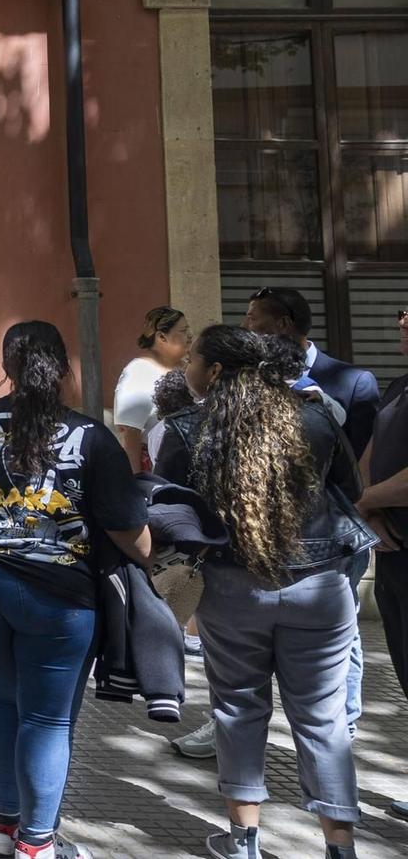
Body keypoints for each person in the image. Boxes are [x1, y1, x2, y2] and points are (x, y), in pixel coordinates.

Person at [0, 322, 152, 859]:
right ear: (62, 368)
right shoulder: (91, 436)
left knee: (8, 697)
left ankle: (0, 826)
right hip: (58, 596)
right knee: (49, 717)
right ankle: (37, 843)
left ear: (5, 369)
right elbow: (131, 534)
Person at [158, 326, 364, 859]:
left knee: (237, 709)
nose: (186, 370)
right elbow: (351, 491)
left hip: (230, 589)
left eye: (194, 360)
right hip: (320, 586)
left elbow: (166, 512)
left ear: (218, 371)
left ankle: (244, 842)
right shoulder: (316, 417)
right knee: (323, 716)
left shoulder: (185, 428)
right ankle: (339, 846)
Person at [355, 305, 408, 821]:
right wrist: (367, 511)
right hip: (393, 555)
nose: (401, 321)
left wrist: (366, 504)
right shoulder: (398, 386)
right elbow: (369, 456)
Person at [245, 287, 381, 455]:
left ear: (283, 324)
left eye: (252, 319)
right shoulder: (247, 377)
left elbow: (363, 457)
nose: (244, 327)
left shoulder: (355, 383)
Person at [112, 306, 191, 472]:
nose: (190, 336)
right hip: (157, 468)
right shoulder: (138, 372)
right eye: (183, 331)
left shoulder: (190, 369)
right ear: (162, 337)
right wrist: (136, 482)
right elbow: (130, 435)